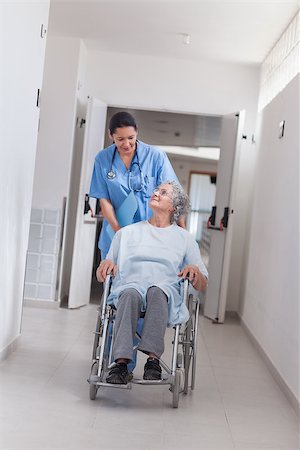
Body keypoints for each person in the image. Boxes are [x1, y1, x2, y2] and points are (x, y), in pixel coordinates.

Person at [97, 181, 208, 385]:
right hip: (130, 286)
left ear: (174, 207)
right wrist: (104, 265)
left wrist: (194, 272)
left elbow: (202, 283)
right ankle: (121, 364)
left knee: (157, 292)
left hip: (164, 290)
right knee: (130, 294)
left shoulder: (184, 239)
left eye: (163, 192)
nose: (155, 193)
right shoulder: (126, 233)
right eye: (156, 190)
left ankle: (153, 362)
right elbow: (103, 271)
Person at [89, 111, 184, 259]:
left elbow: (173, 194)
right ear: (110, 135)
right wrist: (119, 232)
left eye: (131, 138)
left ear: (137, 131)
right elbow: (104, 199)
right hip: (115, 234)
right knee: (111, 278)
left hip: (150, 236)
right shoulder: (103, 159)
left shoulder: (155, 156)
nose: (126, 144)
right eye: (120, 139)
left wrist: (182, 232)